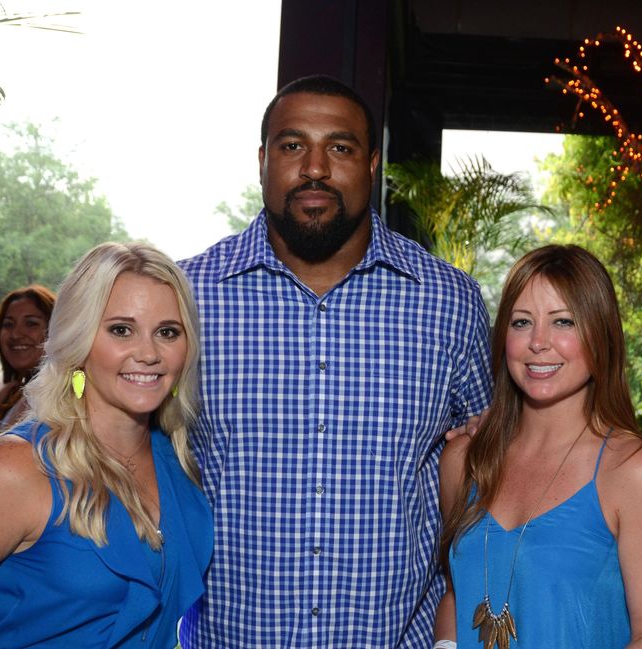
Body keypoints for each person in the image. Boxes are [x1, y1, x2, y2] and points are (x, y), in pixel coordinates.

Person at [177, 74, 492, 648]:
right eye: (292, 145)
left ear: (371, 164)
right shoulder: (188, 296)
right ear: (263, 159)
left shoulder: (449, 301)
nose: (315, 167)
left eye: (339, 147)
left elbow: (496, 460)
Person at [0, 242, 213, 648]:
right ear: (77, 340)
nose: (149, 353)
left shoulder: (179, 460)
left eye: (168, 332)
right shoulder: (16, 468)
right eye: (121, 330)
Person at [436, 245, 642, 649]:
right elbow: (456, 592)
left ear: (600, 335)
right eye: (521, 322)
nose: (538, 342)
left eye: (563, 321)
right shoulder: (463, 460)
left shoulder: (633, 471)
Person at [0, 285, 56, 430]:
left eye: (31, 323)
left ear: (55, 329)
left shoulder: (53, 393)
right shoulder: (24, 391)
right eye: (8, 324)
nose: (16, 334)